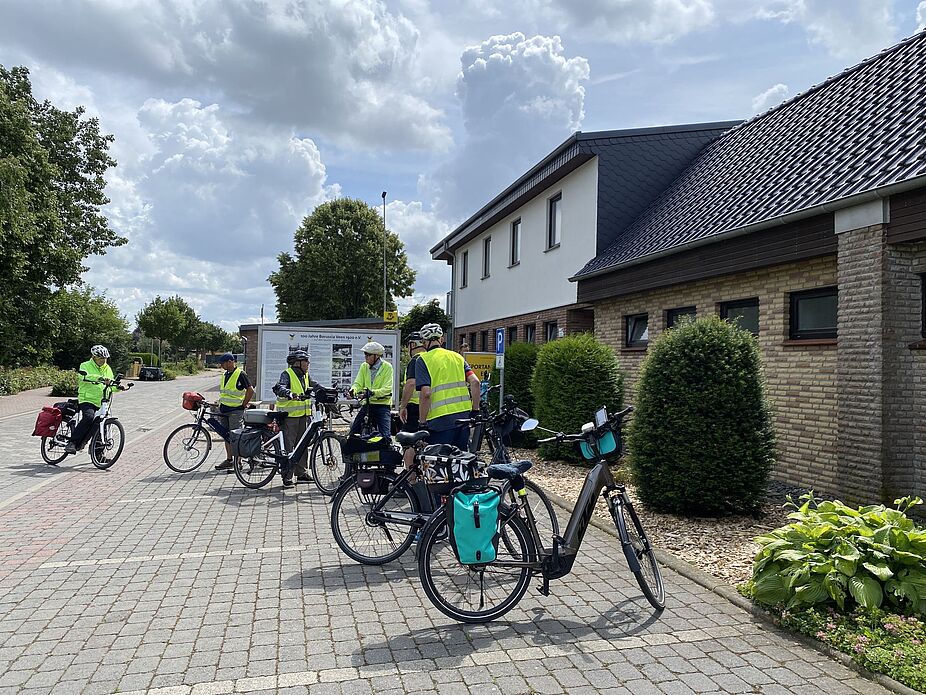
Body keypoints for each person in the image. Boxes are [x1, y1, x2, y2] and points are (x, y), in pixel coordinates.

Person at [415, 323, 481, 450]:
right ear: (441, 339)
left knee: (439, 463)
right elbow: (475, 382)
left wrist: (422, 422)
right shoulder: (457, 357)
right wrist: (475, 410)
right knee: (460, 462)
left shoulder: (423, 360)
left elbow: (426, 393)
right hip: (463, 419)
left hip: (439, 422)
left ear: (424, 342)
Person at [273, 350, 321, 488]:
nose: (308, 364)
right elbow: (280, 387)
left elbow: (314, 385)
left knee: (303, 445)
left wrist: (326, 390)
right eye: (306, 361)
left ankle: (301, 473)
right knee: (289, 446)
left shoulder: (305, 375)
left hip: (303, 416)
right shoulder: (286, 374)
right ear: (297, 363)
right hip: (289, 417)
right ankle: (287, 476)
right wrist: (289, 393)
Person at [66, 345, 116, 454]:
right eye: (101, 358)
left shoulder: (107, 368)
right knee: (89, 417)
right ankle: (72, 442)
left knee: (102, 423)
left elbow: (111, 384)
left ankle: (97, 453)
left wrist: (118, 387)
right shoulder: (85, 365)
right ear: (94, 357)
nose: (103, 361)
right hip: (87, 399)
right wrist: (99, 378)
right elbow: (84, 376)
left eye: (105, 358)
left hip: (102, 400)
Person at [216, 352, 254, 471]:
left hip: (235, 411)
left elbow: (250, 390)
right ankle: (229, 460)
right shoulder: (225, 374)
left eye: (223, 363)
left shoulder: (240, 374)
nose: (222, 366)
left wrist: (243, 404)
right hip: (224, 409)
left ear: (230, 362)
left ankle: (238, 463)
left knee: (236, 437)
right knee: (226, 436)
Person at [348, 341, 393, 439]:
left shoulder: (387, 367)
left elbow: (387, 389)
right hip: (367, 404)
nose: (366, 357)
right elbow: (358, 383)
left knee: (386, 437)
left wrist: (373, 392)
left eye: (368, 355)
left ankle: (386, 450)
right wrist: (353, 390)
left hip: (382, 405)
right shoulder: (364, 366)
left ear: (376, 356)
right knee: (352, 434)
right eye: (365, 354)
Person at [398, 332, 424, 432]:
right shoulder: (430, 358)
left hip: (414, 407)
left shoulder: (415, 360)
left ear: (413, 345)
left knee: (408, 439)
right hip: (429, 405)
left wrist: (402, 406)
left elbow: (411, 383)